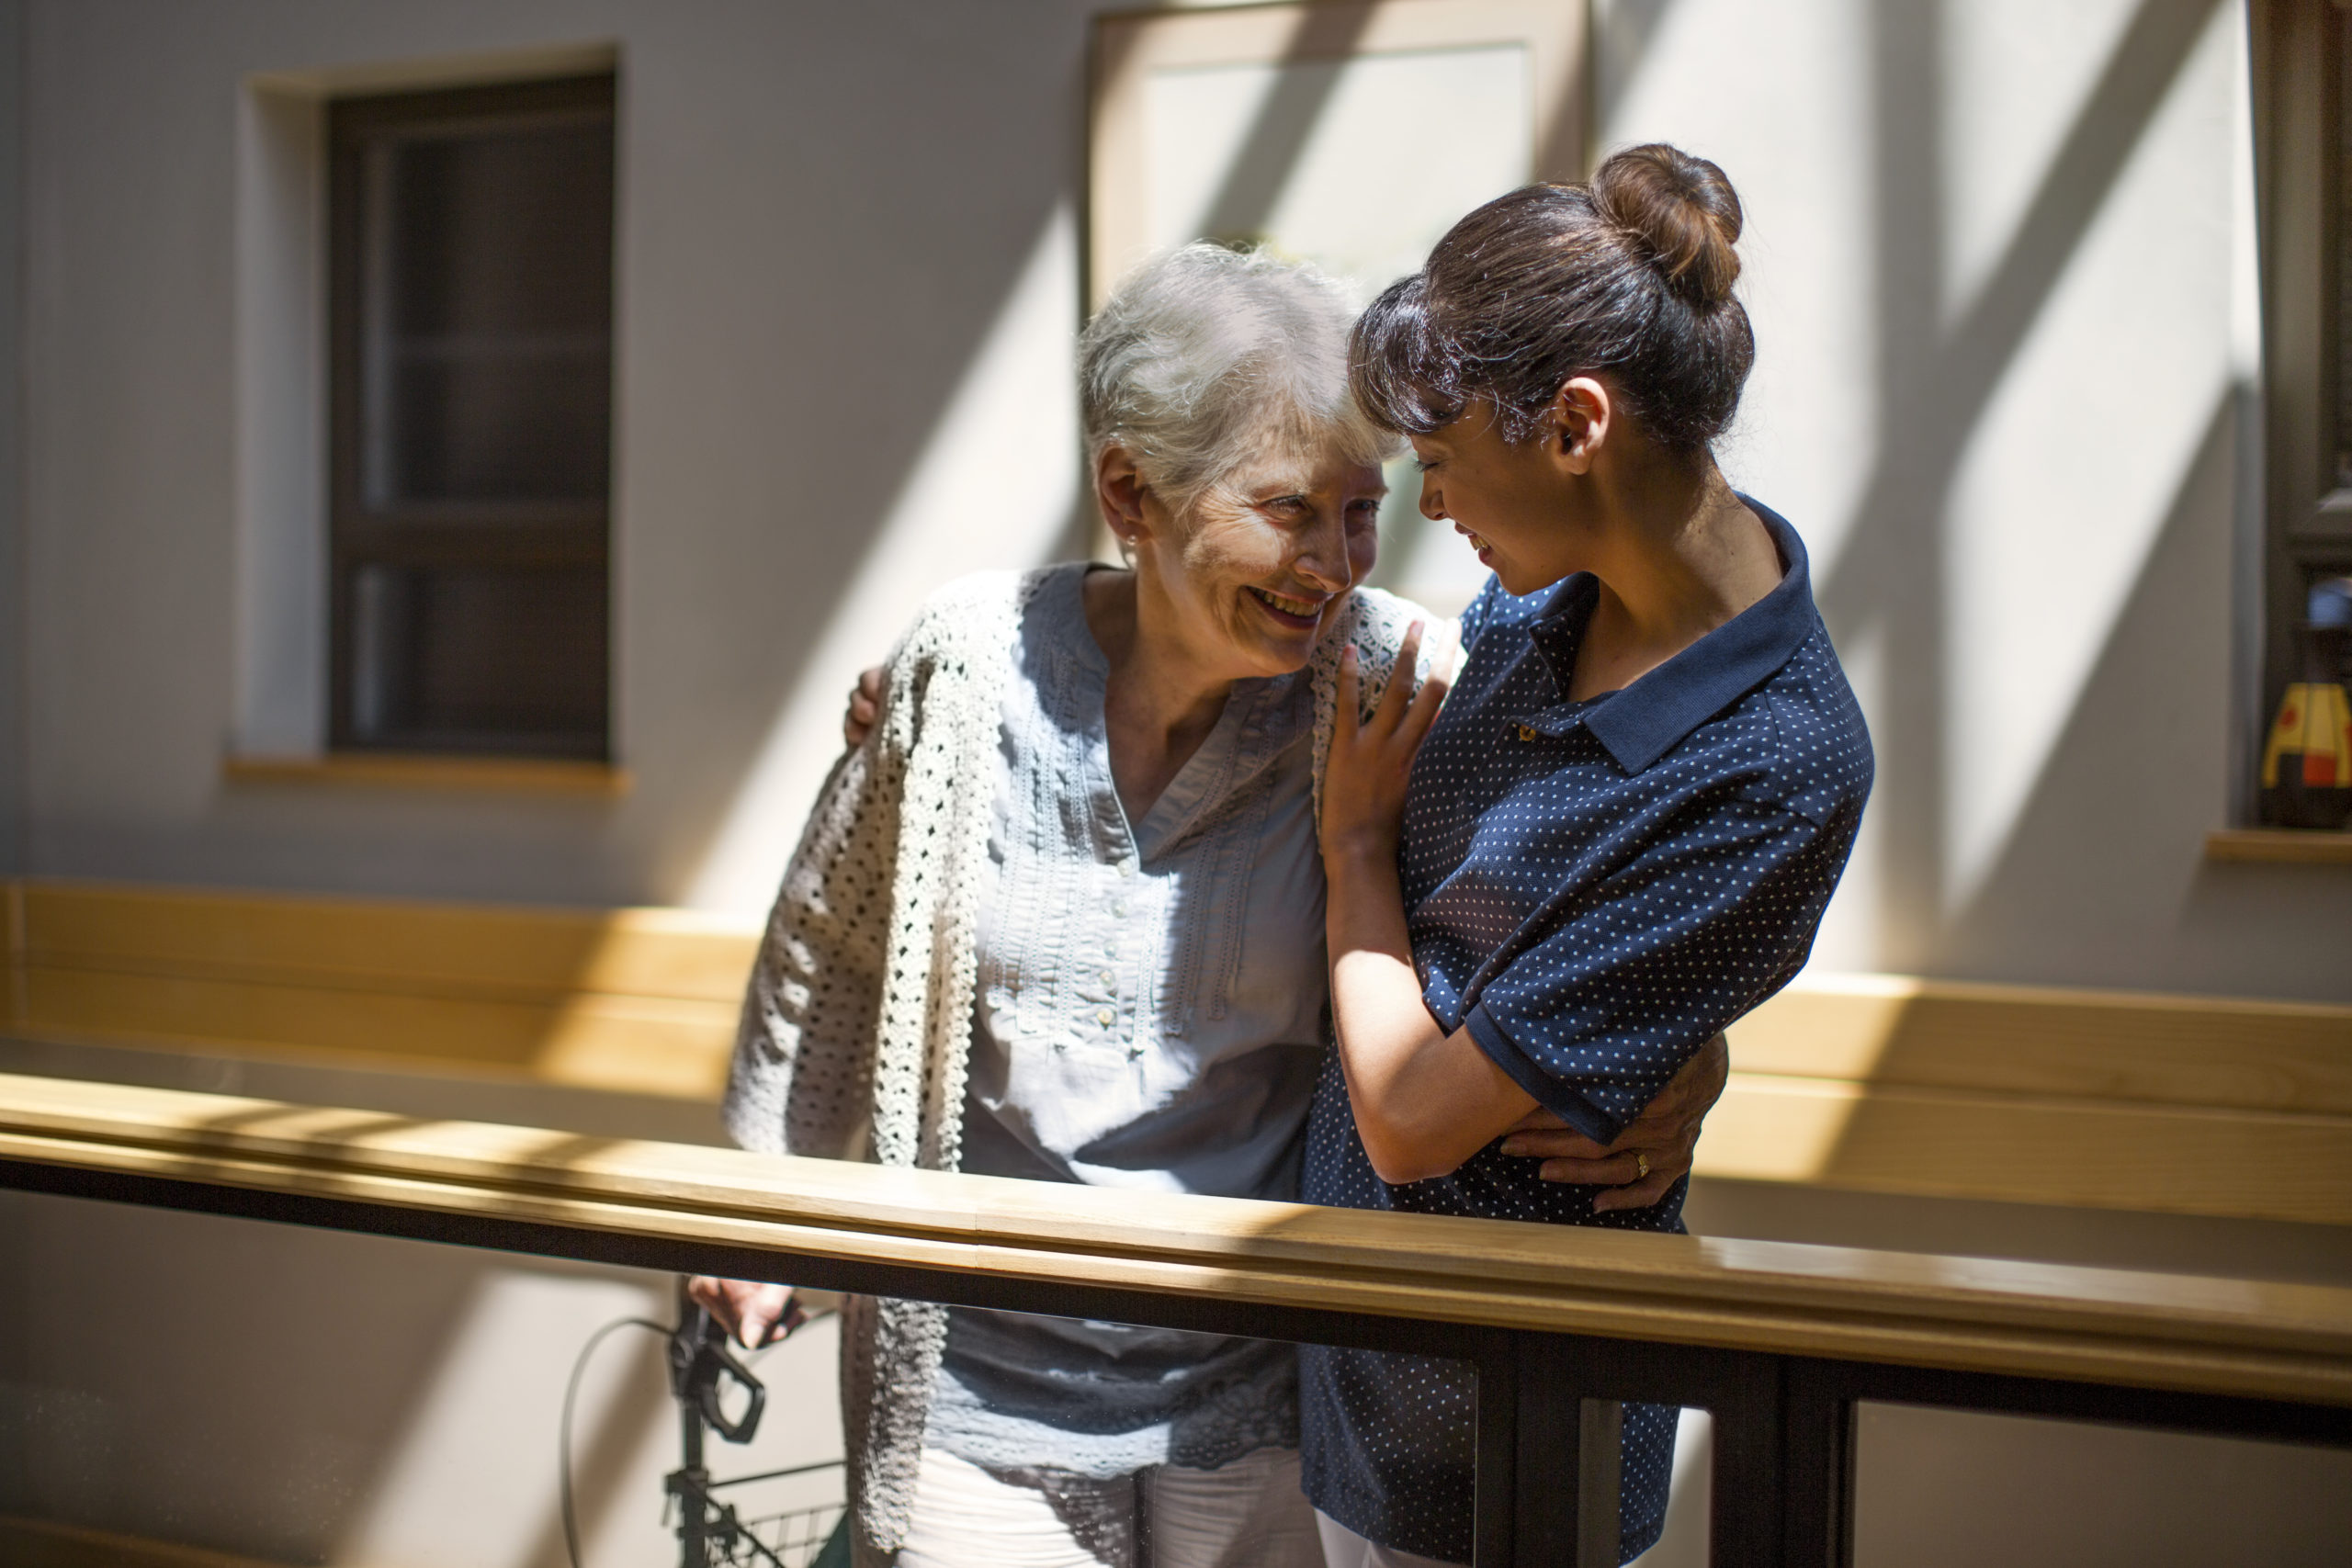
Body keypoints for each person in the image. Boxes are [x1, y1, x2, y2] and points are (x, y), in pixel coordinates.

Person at [695, 241, 1732, 1568]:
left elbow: (1576, 917)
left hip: (1268, 1376)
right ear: (1133, 490)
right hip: (975, 1370)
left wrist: (1677, 1061)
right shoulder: (968, 669)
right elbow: (831, 945)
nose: (1338, 562)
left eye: (1365, 512)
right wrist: (763, 1198)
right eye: (1292, 510)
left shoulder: (1397, 679)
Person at [1306, 145, 1875, 1568]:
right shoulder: (1548, 601)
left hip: (1510, 1415)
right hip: (1355, 1365)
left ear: (1574, 425)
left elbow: (1414, 1118)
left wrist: (1357, 847)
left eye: (1440, 464)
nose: (1431, 510)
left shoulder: (1780, 760)